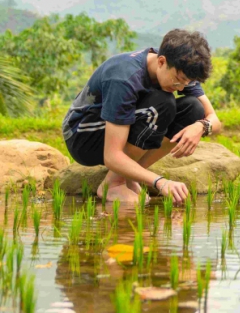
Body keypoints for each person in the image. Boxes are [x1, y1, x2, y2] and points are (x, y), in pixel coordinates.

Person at [62, 29, 222, 204]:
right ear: (161, 61)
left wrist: (201, 127)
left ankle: (129, 175)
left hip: (120, 126)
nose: (182, 88)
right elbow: (111, 155)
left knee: (193, 109)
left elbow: (214, 120)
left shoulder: (180, 69)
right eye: (179, 80)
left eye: (187, 82)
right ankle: (114, 184)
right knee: (163, 103)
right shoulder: (124, 78)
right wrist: (159, 181)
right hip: (83, 136)